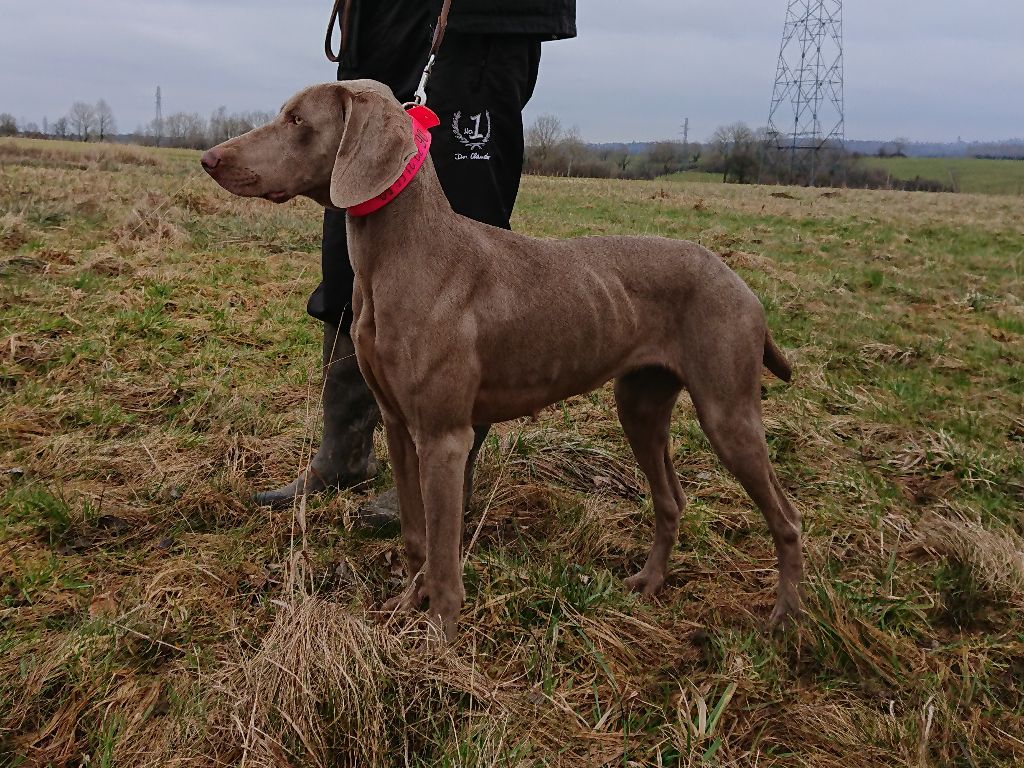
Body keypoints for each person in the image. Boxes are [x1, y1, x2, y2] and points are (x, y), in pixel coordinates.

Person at [255, 0, 577, 523]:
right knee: (351, 221)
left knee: (459, 249)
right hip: (382, 19)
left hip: (476, 23)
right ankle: (345, 453)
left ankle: (442, 472)